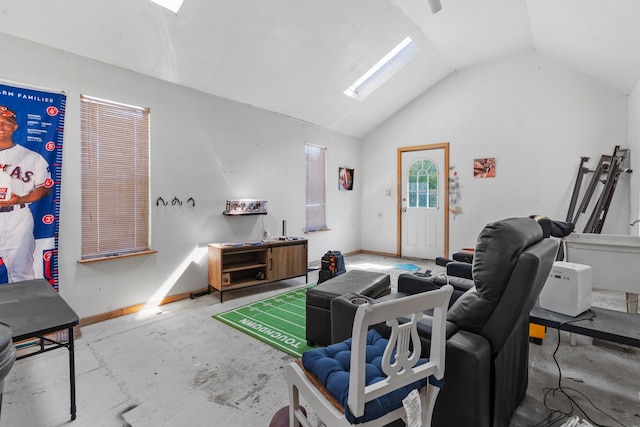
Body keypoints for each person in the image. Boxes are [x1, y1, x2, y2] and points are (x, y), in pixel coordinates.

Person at [0, 105, 52, 283]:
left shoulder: (32, 157)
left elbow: (45, 187)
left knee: (22, 275)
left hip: (17, 219)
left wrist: (21, 198)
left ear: (15, 127)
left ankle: (27, 311)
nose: (1, 126)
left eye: (6, 122)